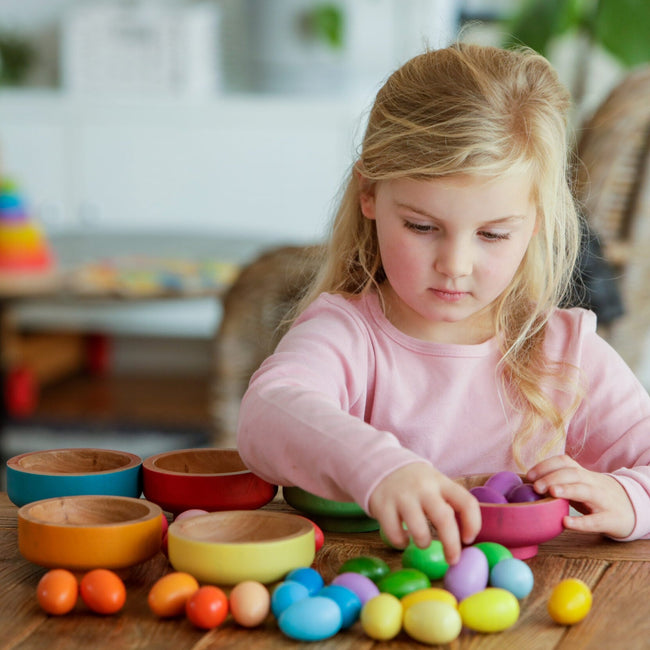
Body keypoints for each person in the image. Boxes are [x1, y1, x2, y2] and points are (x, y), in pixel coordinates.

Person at [237, 43, 650, 564]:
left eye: (494, 234)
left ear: (538, 220)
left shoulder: (565, 352)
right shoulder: (348, 333)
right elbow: (266, 414)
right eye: (422, 227)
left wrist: (631, 498)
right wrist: (380, 467)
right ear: (370, 194)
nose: (455, 263)